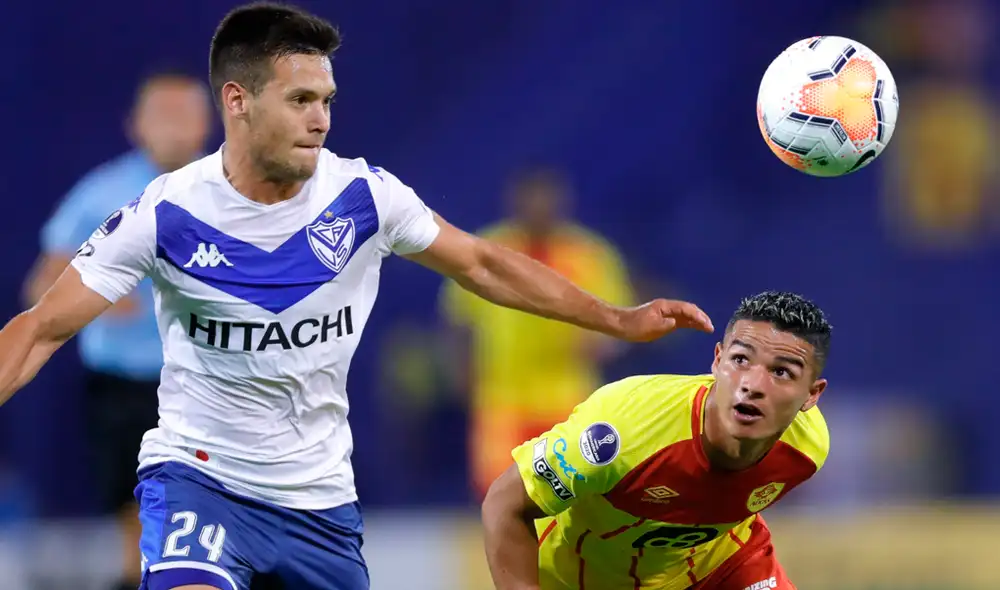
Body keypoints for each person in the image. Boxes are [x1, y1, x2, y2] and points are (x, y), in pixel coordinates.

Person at [0, 4, 713, 590]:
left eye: (327, 101)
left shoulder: (364, 197)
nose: (321, 120)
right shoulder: (165, 215)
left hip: (320, 502)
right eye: (301, 100)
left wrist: (615, 318)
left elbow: (482, 265)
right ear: (238, 102)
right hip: (199, 479)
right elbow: (37, 330)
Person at [482, 291, 831, 590]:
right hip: (582, 580)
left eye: (781, 372)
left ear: (811, 395)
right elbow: (503, 504)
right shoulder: (623, 430)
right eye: (741, 360)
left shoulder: (808, 446)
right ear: (717, 360)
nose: (752, 384)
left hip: (723, 567)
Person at [21, 69, 211, 590]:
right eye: (163, 115)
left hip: (210, 382)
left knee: (212, 513)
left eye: (185, 114)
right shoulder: (101, 195)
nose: (175, 128)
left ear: (208, 123)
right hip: (126, 390)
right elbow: (41, 286)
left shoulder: (231, 192)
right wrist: (100, 300)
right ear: (136, 125)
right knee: (142, 514)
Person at [440, 167, 635, 499]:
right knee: (499, 497)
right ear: (515, 201)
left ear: (562, 202)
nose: (539, 207)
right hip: (502, 402)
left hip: (569, 400)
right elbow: (458, 320)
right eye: (532, 198)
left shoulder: (589, 256)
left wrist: (602, 345)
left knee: (573, 497)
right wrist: (461, 371)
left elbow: (622, 323)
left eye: (546, 198)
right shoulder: (489, 250)